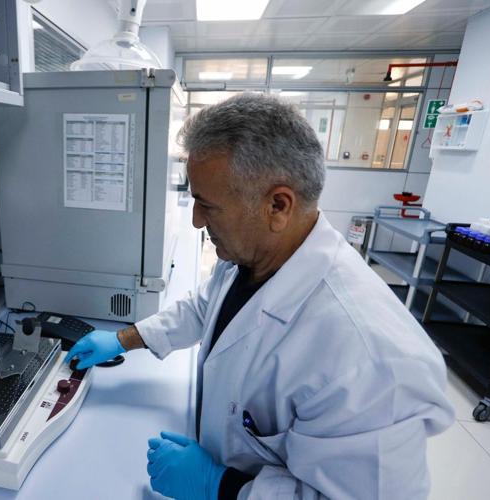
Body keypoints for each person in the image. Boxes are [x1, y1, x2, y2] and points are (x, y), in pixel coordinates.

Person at [66, 93, 454, 499]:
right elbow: (202, 309)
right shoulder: (252, 257)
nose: (196, 220)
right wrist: (123, 339)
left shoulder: (369, 360)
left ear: (277, 206)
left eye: (206, 205)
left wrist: (221, 486)